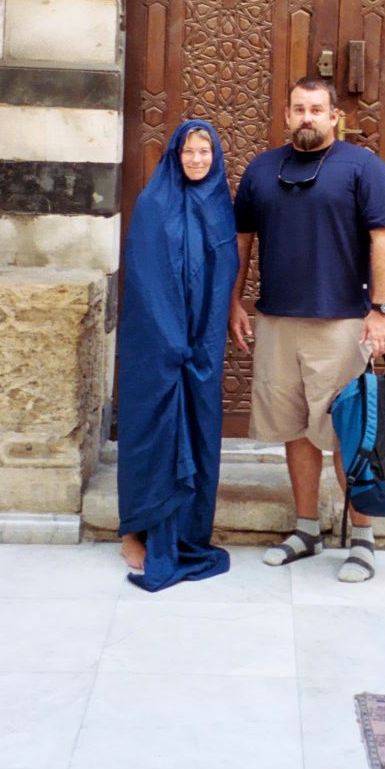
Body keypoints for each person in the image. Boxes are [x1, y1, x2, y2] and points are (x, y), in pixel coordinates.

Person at [229, 78, 385, 583]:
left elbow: (384, 238)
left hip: (341, 323)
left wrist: (380, 310)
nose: (307, 117)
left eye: (317, 109)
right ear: (286, 115)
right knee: (296, 430)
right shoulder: (262, 169)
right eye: (299, 108)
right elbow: (242, 241)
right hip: (277, 321)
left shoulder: (363, 167)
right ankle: (306, 530)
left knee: (348, 433)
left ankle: (363, 538)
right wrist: (233, 301)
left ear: (334, 117)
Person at [117, 121, 238, 592]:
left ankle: (187, 533)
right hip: (160, 345)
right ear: (175, 155)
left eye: (205, 151)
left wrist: (203, 336)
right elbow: (145, 277)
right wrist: (171, 338)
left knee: (200, 432)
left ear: (216, 156)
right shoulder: (154, 203)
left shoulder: (220, 204)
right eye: (189, 151)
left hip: (202, 347)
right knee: (153, 432)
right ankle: (135, 530)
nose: (197, 159)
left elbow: (223, 273)